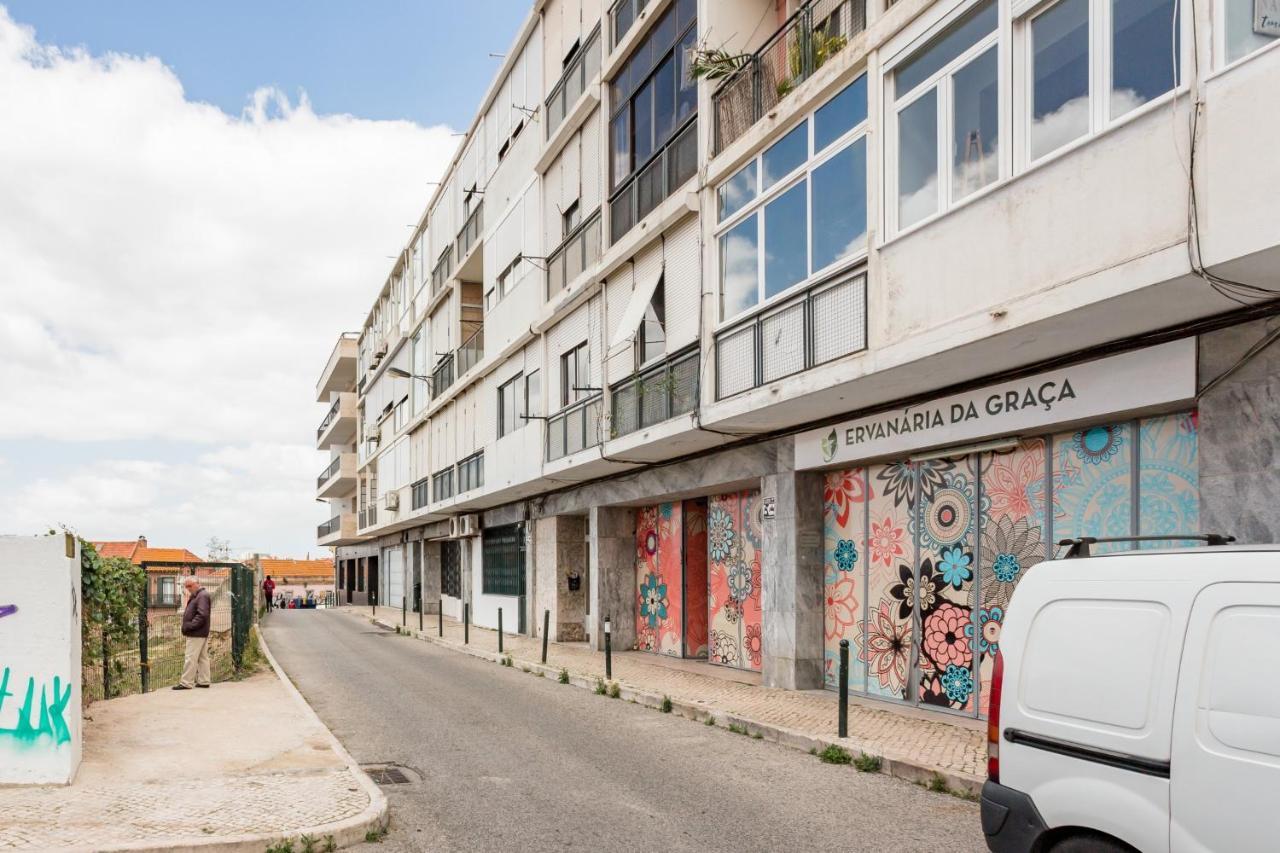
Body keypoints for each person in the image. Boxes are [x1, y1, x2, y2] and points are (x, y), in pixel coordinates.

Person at [173, 576, 211, 690]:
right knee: (202, 657)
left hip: (196, 633)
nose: (188, 588)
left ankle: (186, 682)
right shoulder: (199, 595)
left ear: (197, 584)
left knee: (190, 657)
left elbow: (202, 615)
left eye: (189, 586)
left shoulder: (202, 596)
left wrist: (190, 626)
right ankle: (204, 681)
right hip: (200, 632)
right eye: (186, 586)